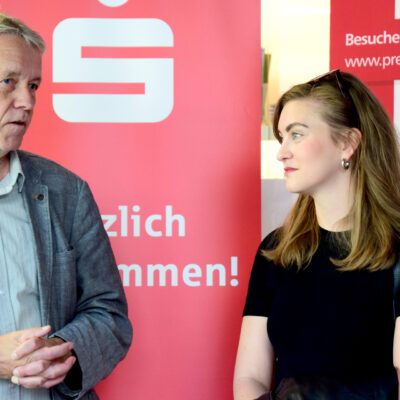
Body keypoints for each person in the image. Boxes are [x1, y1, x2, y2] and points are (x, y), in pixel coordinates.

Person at [233, 70, 400, 399]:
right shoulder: (276, 251)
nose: (282, 152)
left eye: (296, 134)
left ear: (348, 143)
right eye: (282, 137)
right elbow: (249, 378)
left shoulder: (395, 251)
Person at [0, 13, 132, 399]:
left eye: (33, 85)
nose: (27, 101)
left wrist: (60, 349)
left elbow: (108, 313)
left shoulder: (67, 192)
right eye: (8, 81)